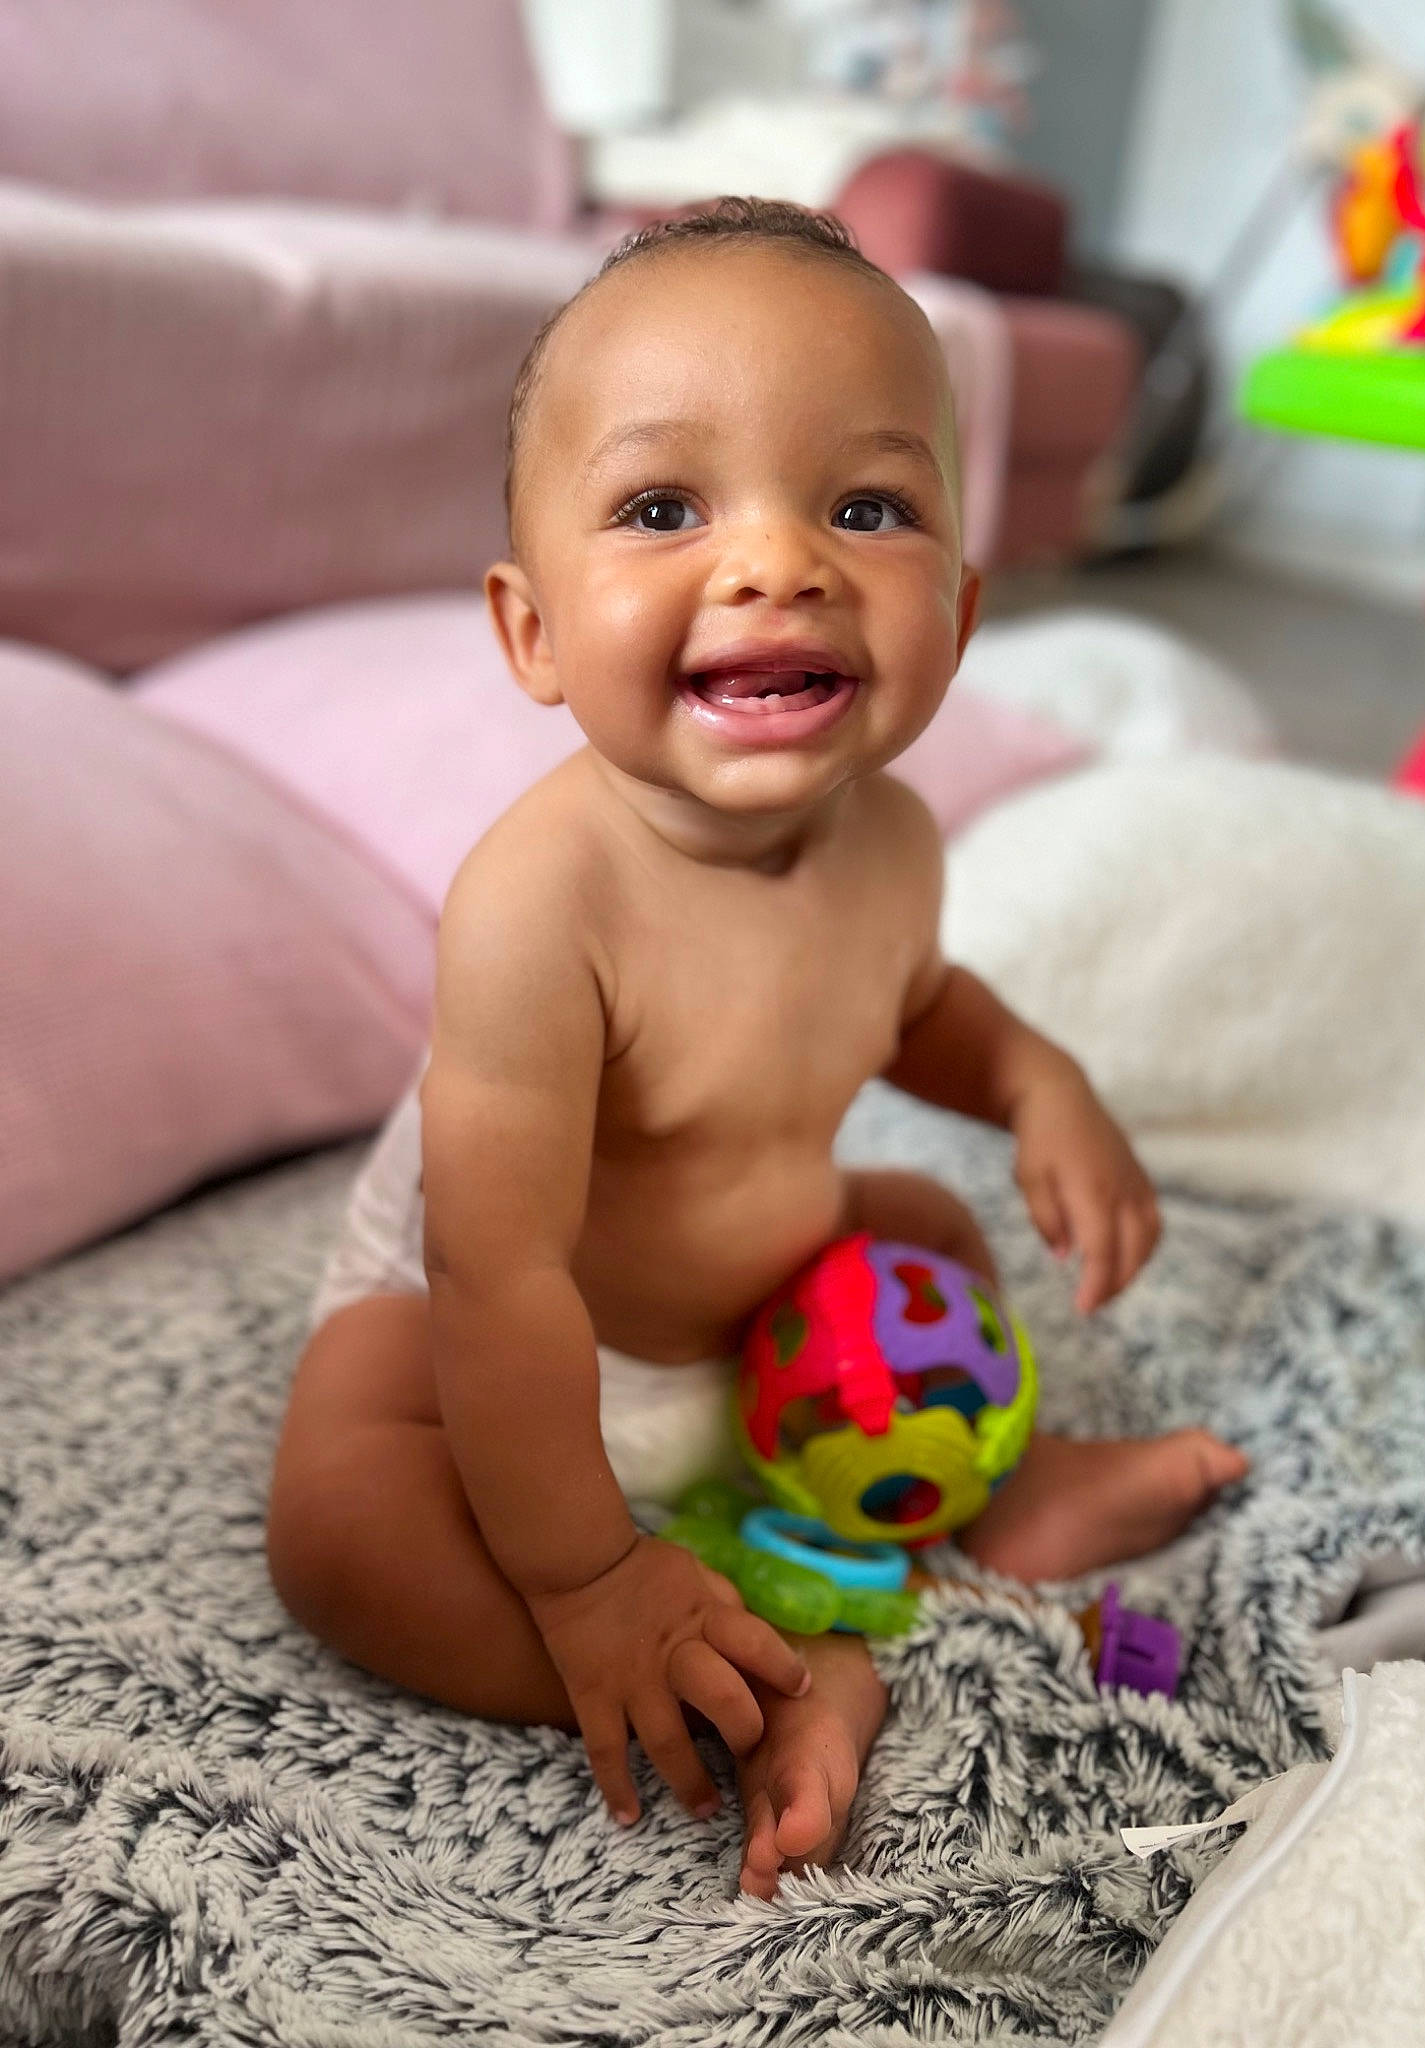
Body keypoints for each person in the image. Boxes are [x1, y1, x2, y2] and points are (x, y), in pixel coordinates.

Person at [267, 199, 1248, 1902]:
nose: (777, 560)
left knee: (930, 1241)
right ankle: (784, 1673)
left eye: (865, 506)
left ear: (958, 606)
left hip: (764, 1304)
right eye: (664, 507)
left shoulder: (901, 841)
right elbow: (499, 1274)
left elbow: (913, 1005)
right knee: (342, 1529)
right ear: (534, 633)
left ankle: (982, 1496)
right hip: (501, 1332)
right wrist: (585, 1581)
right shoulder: (535, 904)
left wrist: (1032, 1082)